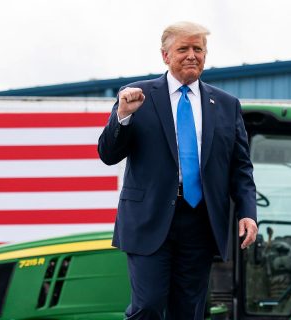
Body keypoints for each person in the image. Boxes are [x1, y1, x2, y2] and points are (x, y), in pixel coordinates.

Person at [98, 21, 258, 320]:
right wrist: (122, 116)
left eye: (198, 49)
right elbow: (108, 155)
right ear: (165, 56)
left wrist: (248, 211)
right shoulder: (135, 96)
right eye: (182, 48)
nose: (191, 55)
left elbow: (240, 167)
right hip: (150, 218)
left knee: (188, 311)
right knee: (148, 305)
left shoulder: (225, 104)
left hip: (201, 220)